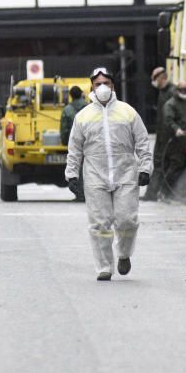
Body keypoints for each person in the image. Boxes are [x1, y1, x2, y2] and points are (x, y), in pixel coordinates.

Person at [65, 67, 153, 281]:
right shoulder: (83, 116)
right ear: (91, 87)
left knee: (127, 221)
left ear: (113, 86)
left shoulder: (127, 112)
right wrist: (71, 174)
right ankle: (104, 266)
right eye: (98, 84)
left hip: (125, 175)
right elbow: (75, 148)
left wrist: (145, 168)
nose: (102, 87)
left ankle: (123, 254)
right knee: (100, 224)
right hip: (96, 176)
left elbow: (142, 141)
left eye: (106, 83)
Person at [161, 80, 186, 199]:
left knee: (184, 168)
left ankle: (178, 192)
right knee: (175, 165)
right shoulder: (171, 104)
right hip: (175, 141)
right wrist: (176, 129)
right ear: (177, 89)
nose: (185, 92)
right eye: (182, 89)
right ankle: (164, 192)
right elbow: (168, 120)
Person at [142, 67, 176, 202]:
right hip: (163, 136)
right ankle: (157, 193)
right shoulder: (164, 91)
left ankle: (153, 194)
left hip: (168, 137)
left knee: (162, 165)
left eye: (154, 79)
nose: (153, 82)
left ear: (161, 78)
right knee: (161, 165)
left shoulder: (172, 92)